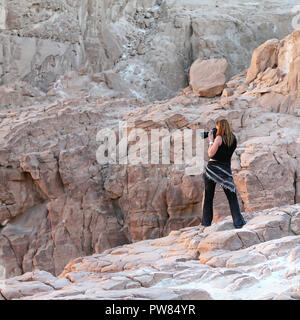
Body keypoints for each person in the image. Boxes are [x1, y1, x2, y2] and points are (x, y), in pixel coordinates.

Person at [201, 119, 246, 228]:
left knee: (209, 197)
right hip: (225, 169)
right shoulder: (233, 139)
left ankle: (206, 223)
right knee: (232, 196)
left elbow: (211, 153)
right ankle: (238, 222)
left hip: (212, 169)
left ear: (220, 127)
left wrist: (211, 140)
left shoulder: (219, 138)